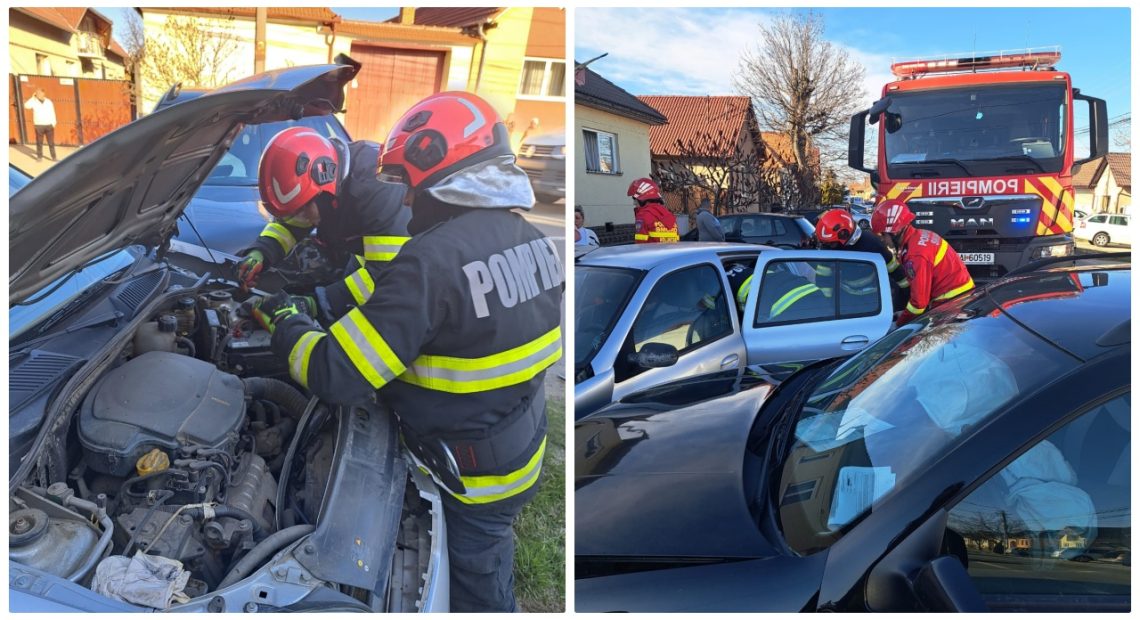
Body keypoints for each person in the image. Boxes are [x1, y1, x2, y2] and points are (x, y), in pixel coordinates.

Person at [251, 92, 562, 612]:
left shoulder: (428, 264)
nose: (408, 203)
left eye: (410, 186)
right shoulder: (532, 239)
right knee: (490, 550)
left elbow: (335, 374)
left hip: (477, 474)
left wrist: (286, 322)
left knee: (479, 584)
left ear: (444, 173)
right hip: (519, 436)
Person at [235, 127, 410, 320]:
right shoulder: (325, 184)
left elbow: (388, 274)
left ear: (324, 187)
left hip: (412, 279)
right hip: (365, 260)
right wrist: (260, 253)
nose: (301, 218)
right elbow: (291, 224)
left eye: (302, 210)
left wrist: (315, 303)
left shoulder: (379, 188)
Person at [871, 199, 974, 326]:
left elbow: (918, 304)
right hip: (959, 299)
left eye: (883, 235)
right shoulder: (919, 236)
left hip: (950, 305)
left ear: (894, 232)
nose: (883, 240)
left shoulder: (915, 254)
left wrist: (899, 325)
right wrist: (904, 312)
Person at [814, 208, 908, 309]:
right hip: (845, 299)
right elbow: (823, 279)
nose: (829, 247)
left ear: (843, 235)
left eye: (831, 243)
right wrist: (826, 306)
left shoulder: (872, 243)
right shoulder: (831, 248)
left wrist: (907, 295)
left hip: (872, 301)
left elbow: (894, 269)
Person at [627, 177, 679, 243]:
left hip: (652, 253)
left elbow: (640, 243)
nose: (634, 203)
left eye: (635, 200)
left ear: (643, 199)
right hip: (672, 252)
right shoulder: (668, 214)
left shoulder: (643, 215)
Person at [23, 88, 57, 161]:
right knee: (39, 142)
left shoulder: (49, 102)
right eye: (37, 93)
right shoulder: (33, 102)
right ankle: (39, 157)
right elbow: (26, 106)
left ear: (43, 93)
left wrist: (53, 123)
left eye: (40, 93)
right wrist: (32, 98)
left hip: (49, 125)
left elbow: (52, 112)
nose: (38, 94)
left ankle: (54, 157)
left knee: (51, 142)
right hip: (39, 125)